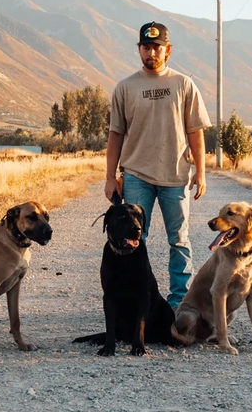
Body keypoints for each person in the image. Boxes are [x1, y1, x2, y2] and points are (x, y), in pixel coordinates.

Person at [105, 21, 211, 309]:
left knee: (179, 241)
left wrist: (200, 173)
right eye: (146, 47)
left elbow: (195, 132)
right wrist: (110, 177)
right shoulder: (125, 87)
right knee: (133, 240)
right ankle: (139, 301)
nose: (151, 52)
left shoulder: (184, 85)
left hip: (175, 176)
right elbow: (116, 134)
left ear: (168, 50)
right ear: (139, 50)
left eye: (157, 47)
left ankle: (180, 303)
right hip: (137, 175)